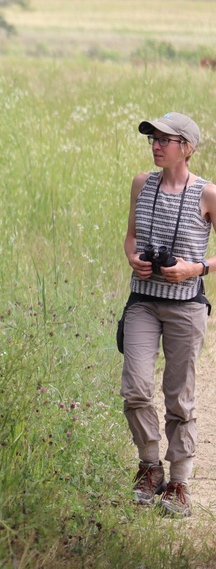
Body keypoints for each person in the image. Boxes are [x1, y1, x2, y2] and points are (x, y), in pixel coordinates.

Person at [122, 112, 214, 518]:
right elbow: (130, 237)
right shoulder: (141, 184)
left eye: (165, 140)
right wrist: (133, 259)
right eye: (153, 139)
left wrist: (195, 268)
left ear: (187, 148)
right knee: (136, 388)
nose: (156, 145)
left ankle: (179, 482)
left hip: (186, 306)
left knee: (180, 396)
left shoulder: (207, 194)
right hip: (143, 300)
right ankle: (149, 466)